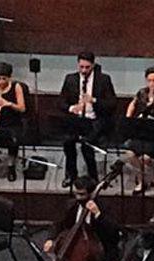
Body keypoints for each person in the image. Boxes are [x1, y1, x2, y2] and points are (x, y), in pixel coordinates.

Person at [44, 176, 122, 261]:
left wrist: (98, 215)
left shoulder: (105, 207)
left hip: (100, 250)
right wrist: (50, 239)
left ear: (91, 194)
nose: (78, 197)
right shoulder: (71, 205)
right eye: (76, 194)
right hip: (77, 246)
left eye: (82, 194)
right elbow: (58, 223)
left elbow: (115, 232)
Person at [58, 52, 116, 188]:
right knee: (68, 142)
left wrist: (94, 100)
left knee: (86, 144)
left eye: (87, 67)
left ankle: (92, 176)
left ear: (93, 65)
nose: (84, 70)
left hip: (94, 120)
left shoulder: (104, 80)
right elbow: (60, 102)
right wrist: (71, 108)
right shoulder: (70, 79)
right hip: (76, 120)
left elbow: (112, 104)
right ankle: (70, 174)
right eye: (81, 67)